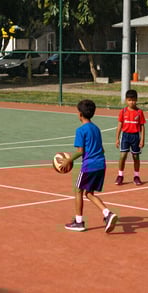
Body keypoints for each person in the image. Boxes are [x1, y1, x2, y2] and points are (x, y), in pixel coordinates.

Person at [60, 99, 118, 233]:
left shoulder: (81, 130)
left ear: (80, 114)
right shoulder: (96, 129)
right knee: (89, 193)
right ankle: (107, 214)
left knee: (78, 191)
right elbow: (102, 149)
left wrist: (68, 160)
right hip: (101, 164)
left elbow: (80, 151)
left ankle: (79, 222)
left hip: (89, 165)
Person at [115, 89, 146, 186]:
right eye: (129, 100)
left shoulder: (139, 112)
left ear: (136, 100)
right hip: (125, 136)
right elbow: (119, 125)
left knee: (136, 156)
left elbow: (142, 126)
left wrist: (142, 139)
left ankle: (136, 176)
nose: (131, 102)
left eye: (133, 100)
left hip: (135, 136)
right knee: (123, 156)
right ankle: (120, 175)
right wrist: (117, 138)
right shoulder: (123, 112)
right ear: (126, 100)